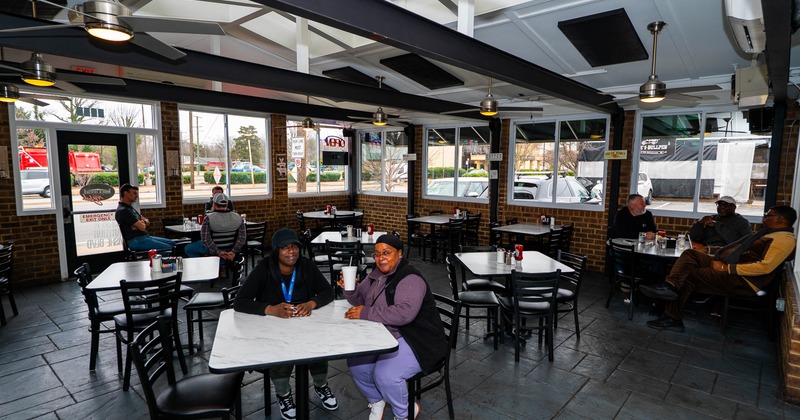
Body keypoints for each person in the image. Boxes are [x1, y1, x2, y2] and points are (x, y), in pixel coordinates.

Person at [233, 228, 337, 420]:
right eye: (285, 248)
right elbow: (240, 302)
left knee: (319, 349)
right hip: (274, 327)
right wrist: (270, 309)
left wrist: (311, 303)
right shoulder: (263, 269)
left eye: (294, 247)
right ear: (275, 251)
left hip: (305, 324)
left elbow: (328, 292)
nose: (291, 251)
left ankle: (321, 386)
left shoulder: (307, 266)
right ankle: (284, 395)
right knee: (280, 355)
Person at [640, 206, 797, 331]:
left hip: (742, 280)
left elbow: (765, 267)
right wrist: (708, 251)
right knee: (690, 254)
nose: (764, 217)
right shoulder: (768, 233)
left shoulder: (784, 240)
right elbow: (736, 249)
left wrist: (726, 268)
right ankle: (670, 286)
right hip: (728, 266)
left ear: (779, 219)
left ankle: (672, 318)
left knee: (690, 275)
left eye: (768, 215)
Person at [342, 234, 447, 420]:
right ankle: (376, 400)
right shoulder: (376, 273)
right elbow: (360, 300)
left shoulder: (410, 278)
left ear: (399, 254)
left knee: (386, 375)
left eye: (386, 253)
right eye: (376, 254)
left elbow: (404, 314)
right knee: (356, 364)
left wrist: (365, 313)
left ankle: (404, 413)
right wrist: (350, 289)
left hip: (417, 339)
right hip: (386, 334)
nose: (380, 258)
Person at [114, 183, 175, 252]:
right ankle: (159, 262)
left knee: (172, 243)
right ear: (126, 193)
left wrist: (142, 222)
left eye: (137, 193)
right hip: (135, 240)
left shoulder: (130, 208)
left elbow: (146, 222)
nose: (136, 196)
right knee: (169, 248)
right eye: (134, 193)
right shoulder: (123, 210)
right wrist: (141, 223)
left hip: (143, 237)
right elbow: (142, 227)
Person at [185, 193, 246, 261]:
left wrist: (218, 252)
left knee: (188, 248)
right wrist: (233, 251)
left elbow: (205, 239)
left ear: (214, 204)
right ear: (227, 204)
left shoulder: (208, 218)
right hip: (230, 248)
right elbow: (242, 238)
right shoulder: (239, 218)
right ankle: (224, 263)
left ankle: (203, 265)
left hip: (213, 250)